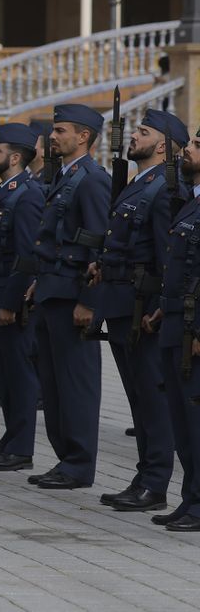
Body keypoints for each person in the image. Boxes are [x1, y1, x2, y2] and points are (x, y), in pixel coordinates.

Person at [89, 109, 183, 512]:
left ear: (162, 145)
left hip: (142, 307)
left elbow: (168, 256)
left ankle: (155, 482)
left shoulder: (162, 188)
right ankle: (144, 476)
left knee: (152, 399)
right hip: (121, 302)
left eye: (143, 132)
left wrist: (160, 307)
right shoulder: (139, 184)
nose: (133, 136)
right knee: (138, 399)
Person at [27, 103, 111, 492]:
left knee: (76, 383)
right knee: (53, 383)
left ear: (83, 136)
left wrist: (89, 301)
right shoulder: (65, 176)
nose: (53, 137)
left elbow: (99, 246)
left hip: (72, 295)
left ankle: (78, 464)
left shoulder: (91, 180)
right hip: (51, 290)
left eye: (61, 131)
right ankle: (65, 458)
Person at [0, 122, 44, 474]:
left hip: (9, 301)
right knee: (5, 375)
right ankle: (10, 443)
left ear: (15, 158)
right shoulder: (3, 191)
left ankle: (20, 448)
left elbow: (26, 256)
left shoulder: (26, 195)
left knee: (18, 376)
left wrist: (11, 304)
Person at [153, 127, 200, 531]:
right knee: (182, 422)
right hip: (176, 321)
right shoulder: (191, 202)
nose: (188, 149)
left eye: (198, 146)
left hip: (194, 329)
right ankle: (191, 498)